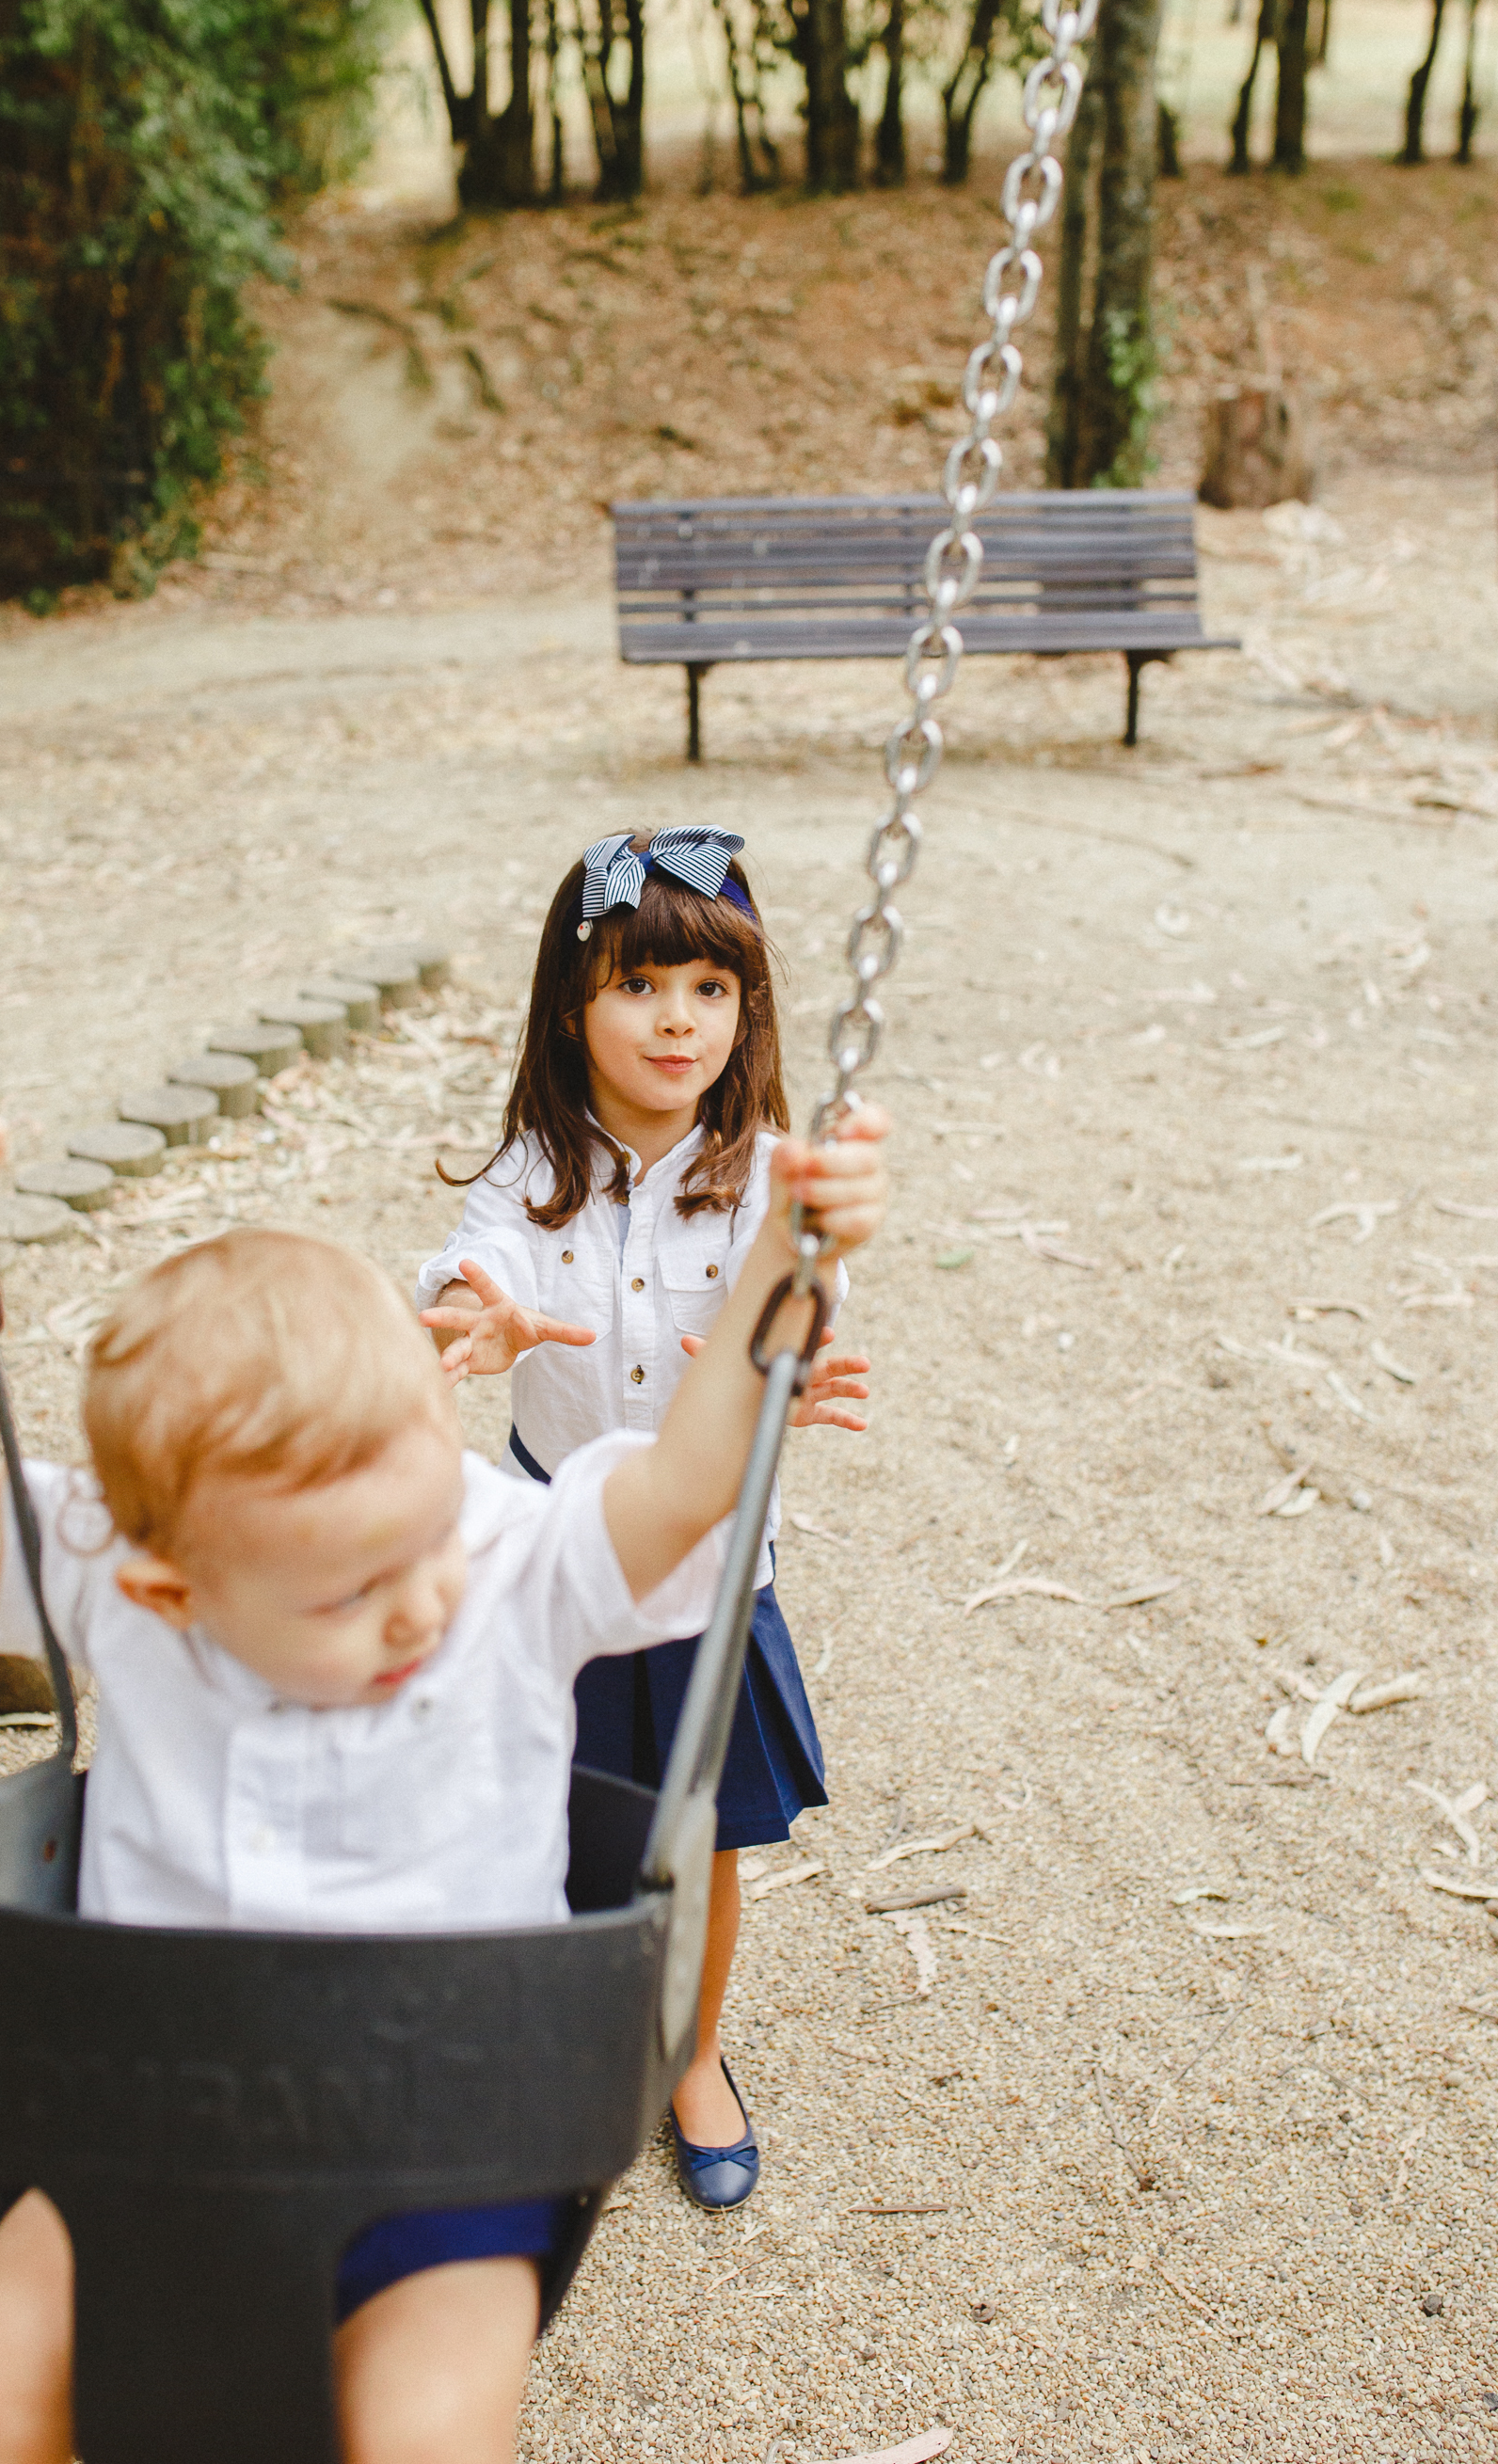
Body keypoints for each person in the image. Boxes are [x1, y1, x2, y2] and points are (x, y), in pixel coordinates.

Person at [0, 1071, 888, 2464]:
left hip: (447, 2149)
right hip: (151, 2125)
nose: (418, 1603)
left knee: (424, 2434)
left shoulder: (506, 1565)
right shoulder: (113, 1569)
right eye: (347, 1593)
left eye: (427, 1533)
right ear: (169, 1588)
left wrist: (781, 1251)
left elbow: (685, 1484)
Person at [419, 827, 869, 2212]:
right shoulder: (527, 1179)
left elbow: (805, 1302)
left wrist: (786, 1365)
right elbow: (469, 1268)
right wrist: (470, 1318)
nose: (680, 1022)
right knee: (545, 1824)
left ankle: (691, 2049)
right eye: (642, 987)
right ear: (574, 1005)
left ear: (748, 1011)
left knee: (701, 1841)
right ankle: (557, 2041)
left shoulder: (768, 1181)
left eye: (711, 993)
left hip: (714, 1578)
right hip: (557, 1582)